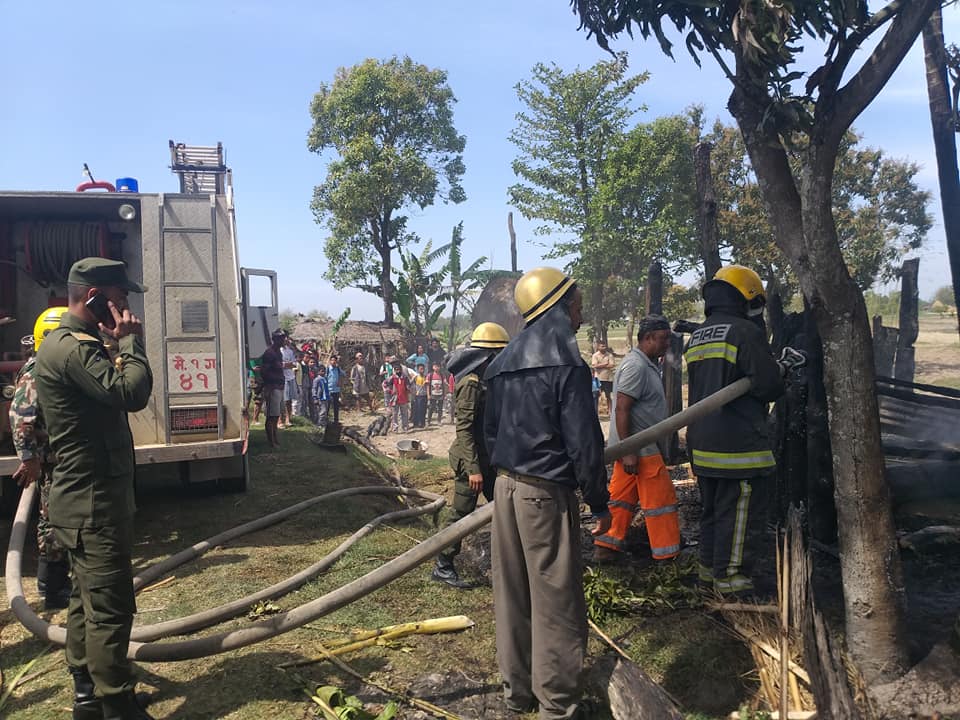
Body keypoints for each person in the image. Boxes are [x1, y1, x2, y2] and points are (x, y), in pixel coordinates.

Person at [484, 267, 610, 719]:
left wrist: (496, 489)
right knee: (556, 600)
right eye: (576, 305)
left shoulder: (501, 362)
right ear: (558, 306)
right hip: (543, 494)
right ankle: (557, 705)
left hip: (504, 490)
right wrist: (599, 500)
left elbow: (489, 431)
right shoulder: (566, 360)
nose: (580, 314)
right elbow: (584, 442)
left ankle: (517, 693)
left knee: (513, 594)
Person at [34, 258, 154, 720]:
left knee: (88, 601)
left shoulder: (76, 344)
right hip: (91, 504)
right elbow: (130, 393)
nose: (125, 307)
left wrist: (113, 342)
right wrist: (131, 343)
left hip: (89, 499)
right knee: (110, 607)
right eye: (119, 298)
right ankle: (116, 704)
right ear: (93, 297)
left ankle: (88, 694)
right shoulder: (73, 349)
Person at [684, 265, 784, 597]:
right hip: (737, 446)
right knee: (739, 516)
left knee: (713, 513)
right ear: (747, 298)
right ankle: (732, 585)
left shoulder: (699, 335)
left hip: (703, 444)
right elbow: (769, 386)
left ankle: (707, 576)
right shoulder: (744, 332)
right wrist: (783, 367)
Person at [593, 315, 681, 564]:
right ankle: (667, 556)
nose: (666, 344)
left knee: (620, 499)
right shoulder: (636, 366)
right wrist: (629, 449)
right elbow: (622, 408)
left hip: (635, 446)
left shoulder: (648, 363)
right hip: (641, 448)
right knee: (661, 502)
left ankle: (606, 548)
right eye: (663, 339)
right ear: (648, 338)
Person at [431, 322, 510, 588]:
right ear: (488, 355)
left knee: (504, 507)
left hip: (488, 460)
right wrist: (474, 469)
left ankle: (510, 561)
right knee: (462, 514)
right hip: (471, 462)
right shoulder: (471, 383)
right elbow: (464, 429)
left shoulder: (486, 379)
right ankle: (443, 565)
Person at [9, 308, 71, 610]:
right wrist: (30, 458)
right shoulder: (37, 371)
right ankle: (53, 587)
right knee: (54, 520)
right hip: (51, 460)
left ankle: (58, 583)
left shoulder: (51, 366)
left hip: (58, 457)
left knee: (57, 518)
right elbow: (22, 417)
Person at [261, 331, 286, 448]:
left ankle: (275, 438)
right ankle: (271, 442)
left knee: (276, 415)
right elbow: (264, 371)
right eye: (281, 339)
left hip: (280, 386)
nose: (283, 341)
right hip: (272, 387)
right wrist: (268, 386)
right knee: (271, 416)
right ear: (275, 339)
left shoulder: (278, 353)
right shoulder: (269, 353)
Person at [591, 340, 615, 414]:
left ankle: (611, 412)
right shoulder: (595, 355)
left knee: (608, 395)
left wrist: (599, 365)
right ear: (598, 347)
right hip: (597, 378)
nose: (604, 347)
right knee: (595, 396)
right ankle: (595, 413)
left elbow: (612, 365)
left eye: (605, 346)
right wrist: (605, 364)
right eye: (602, 346)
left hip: (608, 379)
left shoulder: (610, 355)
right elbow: (594, 366)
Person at [280, 335, 298, 427]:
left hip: (291, 377)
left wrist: (286, 365)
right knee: (282, 400)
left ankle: (288, 419)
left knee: (289, 400)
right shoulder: (279, 350)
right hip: (282, 378)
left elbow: (294, 364)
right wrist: (287, 364)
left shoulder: (290, 351)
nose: (287, 340)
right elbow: (279, 365)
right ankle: (280, 420)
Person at [388, 359, 410, 432]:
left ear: (401, 369)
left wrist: (408, 389)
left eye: (398, 369)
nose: (397, 370)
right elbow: (386, 384)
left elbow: (408, 386)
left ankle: (405, 427)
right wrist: (391, 391)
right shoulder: (392, 378)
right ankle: (395, 428)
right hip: (395, 399)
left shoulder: (405, 377)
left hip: (404, 398)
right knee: (394, 414)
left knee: (405, 414)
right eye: (396, 369)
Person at [327, 354, 343, 425]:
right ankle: (326, 420)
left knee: (336, 406)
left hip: (336, 390)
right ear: (330, 361)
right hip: (329, 390)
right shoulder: (327, 369)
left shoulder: (338, 369)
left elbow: (344, 374)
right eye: (332, 360)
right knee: (327, 406)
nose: (333, 362)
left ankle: (336, 421)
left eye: (335, 360)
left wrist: (339, 368)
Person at [412, 363, 428, 428]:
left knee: (424, 410)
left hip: (424, 395)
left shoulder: (425, 377)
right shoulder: (416, 377)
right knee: (418, 409)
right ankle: (417, 423)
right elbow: (412, 385)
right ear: (418, 370)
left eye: (423, 369)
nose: (422, 370)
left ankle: (423, 422)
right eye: (421, 369)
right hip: (418, 396)